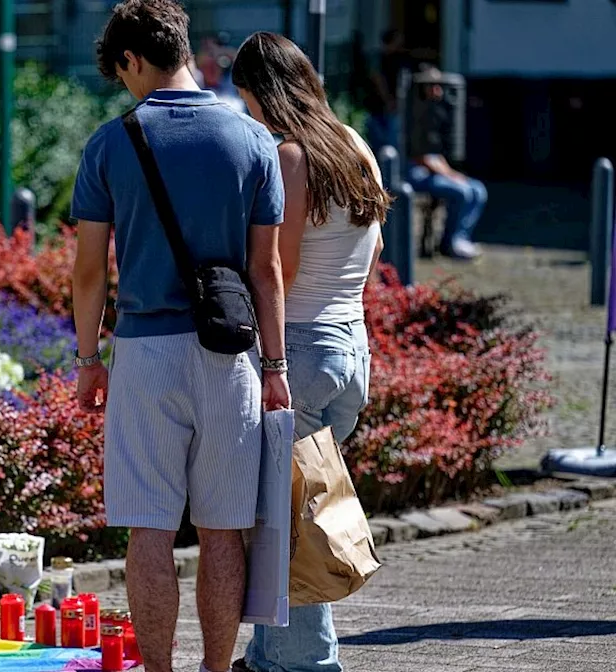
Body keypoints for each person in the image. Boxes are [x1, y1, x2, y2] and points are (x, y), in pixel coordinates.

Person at [70, 3, 290, 672]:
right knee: (225, 531)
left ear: (133, 60)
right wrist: (275, 366)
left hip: (145, 352)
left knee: (150, 530)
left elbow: (87, 272)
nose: (124, 86)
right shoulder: (254, 140)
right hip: (232, 356)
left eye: (121, 73)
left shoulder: (112, 144)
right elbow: (267, 271)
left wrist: (87, 359)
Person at [229, 31, 389, 672]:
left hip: (301, 349)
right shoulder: (355, 145)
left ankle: (307, 664)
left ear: (263, 93)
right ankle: (267, 657)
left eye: (246, 99)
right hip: (351, 347)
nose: (247, 113)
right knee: (295, 509)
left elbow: (280, 269)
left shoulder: (291, 158)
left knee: (293, 524)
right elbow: (373, 253)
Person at [408, 75, 487, 260]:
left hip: (435, 173)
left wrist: (453, 174)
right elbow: (422, 158)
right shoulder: (413, 116)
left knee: (478, 189)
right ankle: (451, 243)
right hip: (416, 175)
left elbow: (436, 155)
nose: (439, 91)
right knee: (462, 192)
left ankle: (461, 237)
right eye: (434, 87)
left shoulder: (432, 114)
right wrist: (451, 176)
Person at [364, 28, 408, 155]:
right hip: (380, 107)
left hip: (384, 106)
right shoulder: (380, 59)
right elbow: (378, 80)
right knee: (385, 143)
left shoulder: (395, 59)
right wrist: (389, 100)